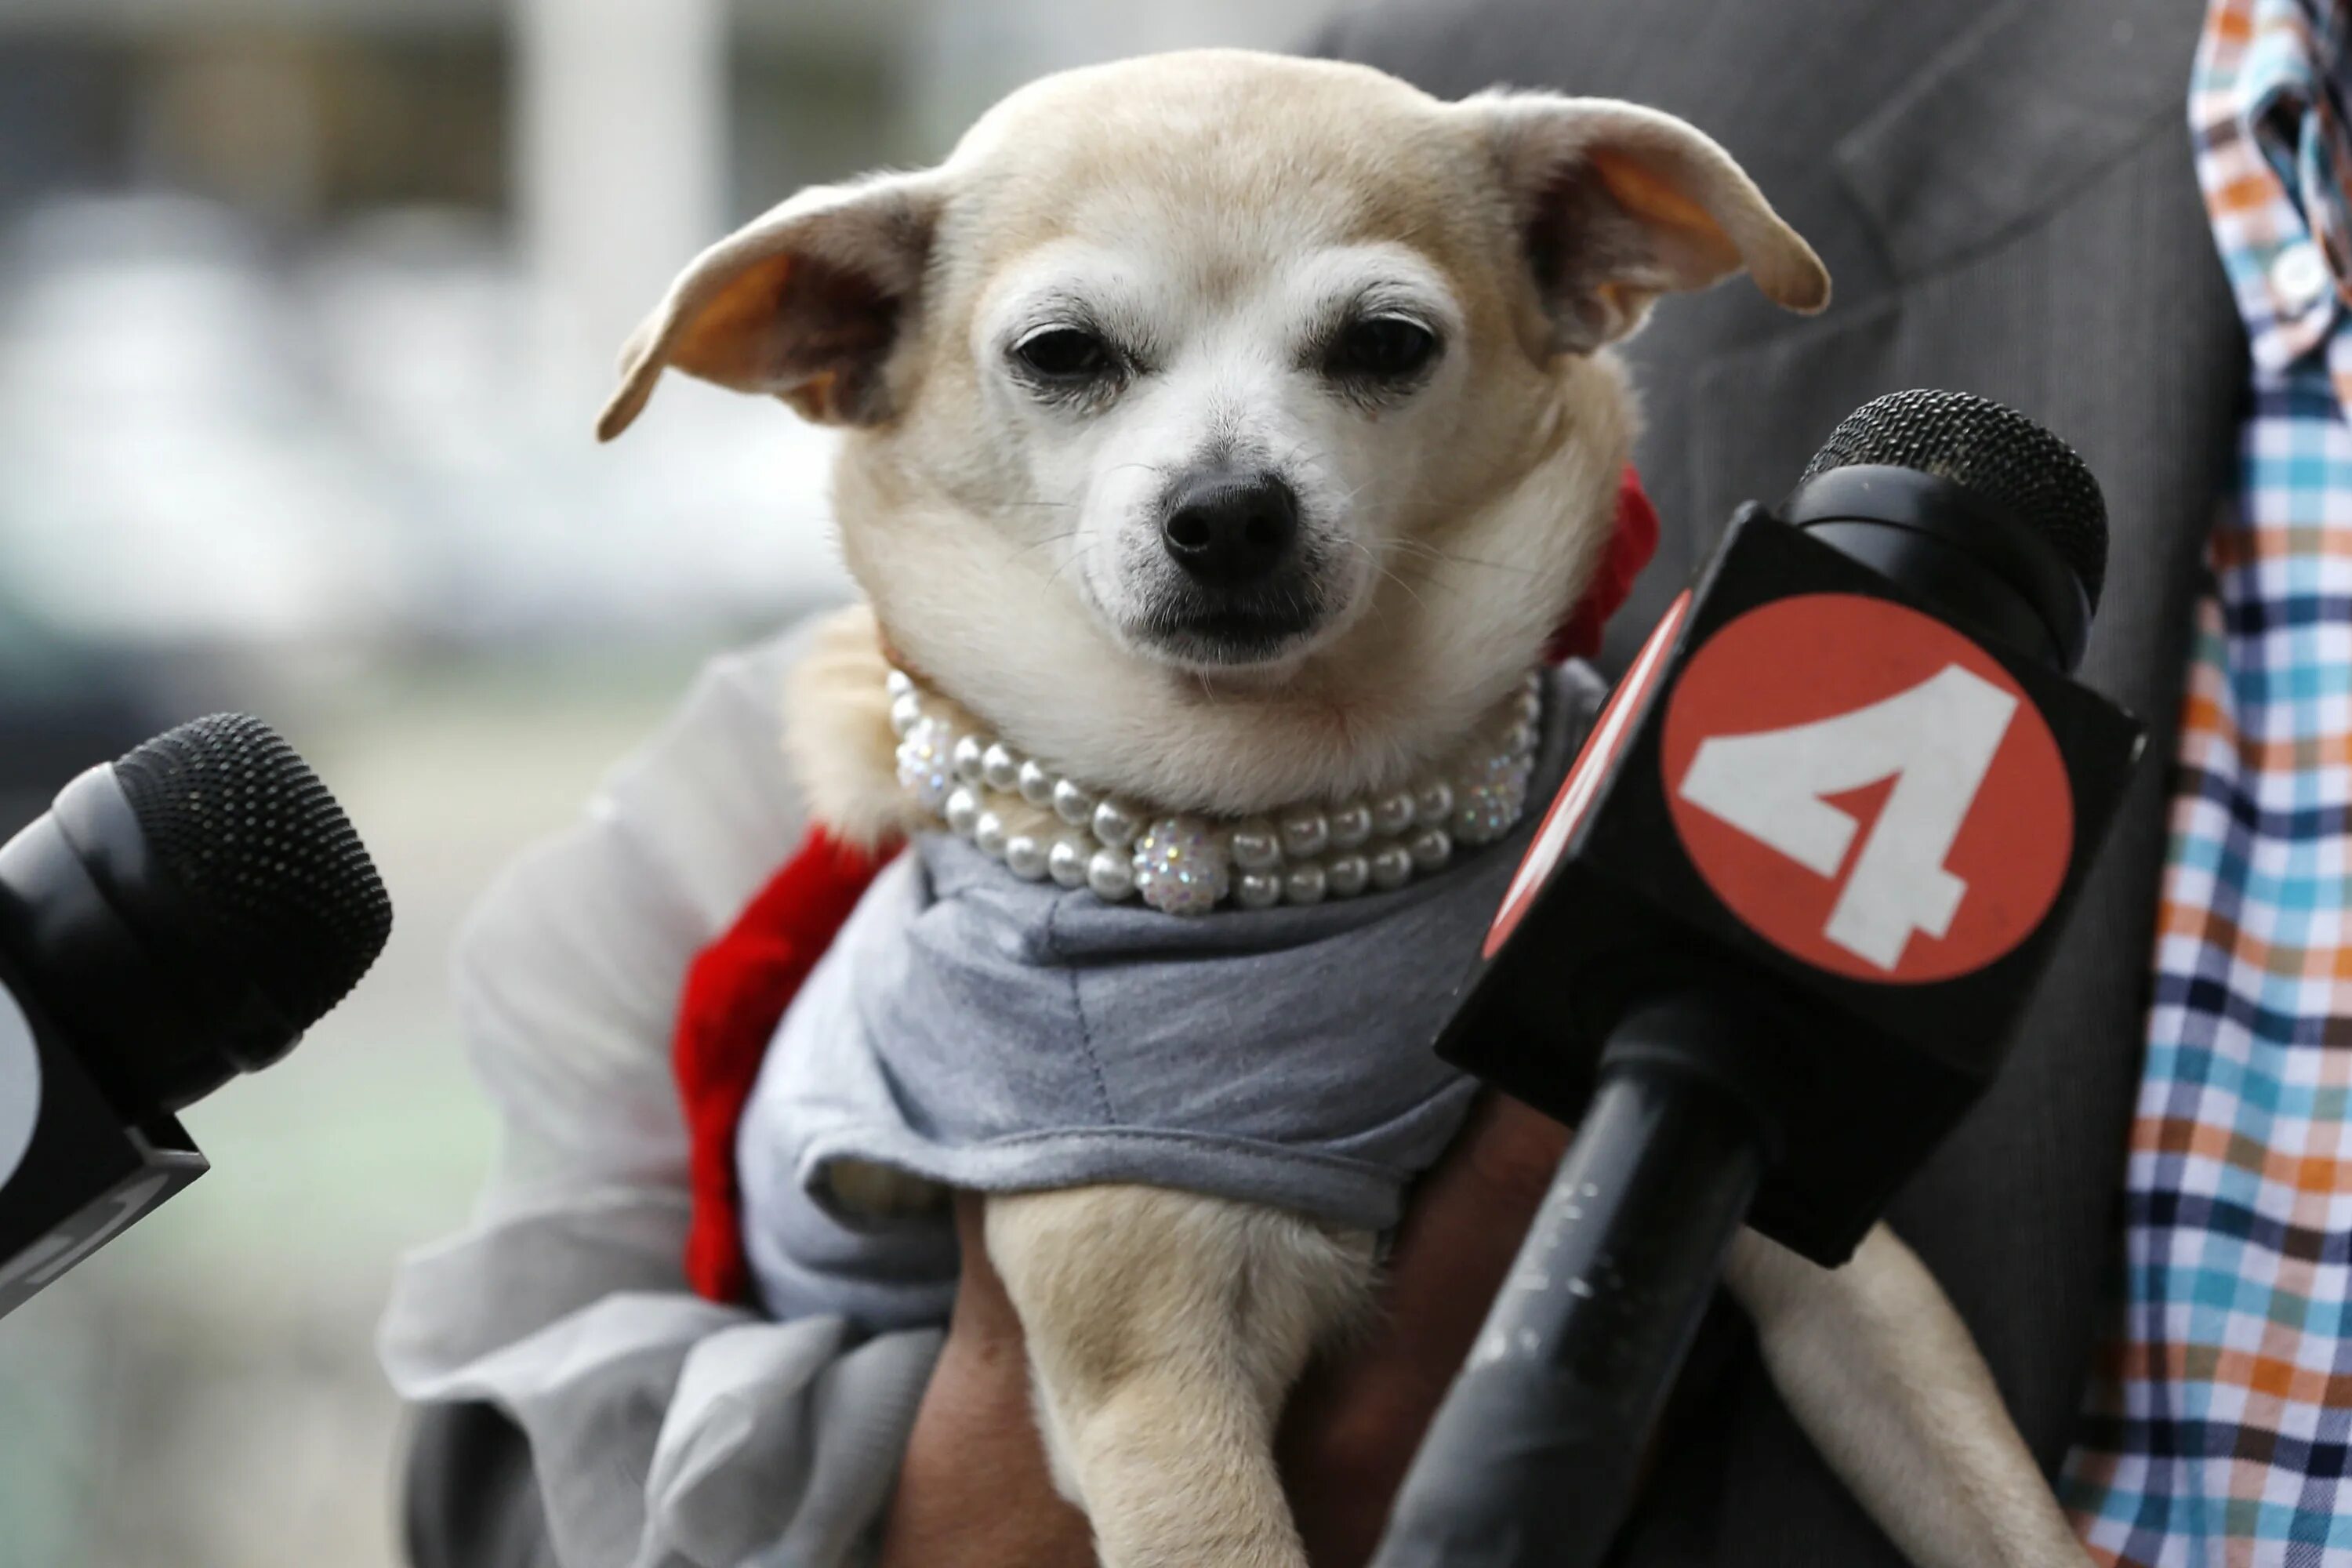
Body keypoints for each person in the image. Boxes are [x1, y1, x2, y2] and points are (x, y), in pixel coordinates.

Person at [400, 0, 2314, 1562]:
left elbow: (1821, 1267)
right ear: (838, 336)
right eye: (1076, 356)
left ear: (1594, 258)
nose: (1226, 474)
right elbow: (488, 1491)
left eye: (1371, 345)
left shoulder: (1616, 787)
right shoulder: (1043, 1004)